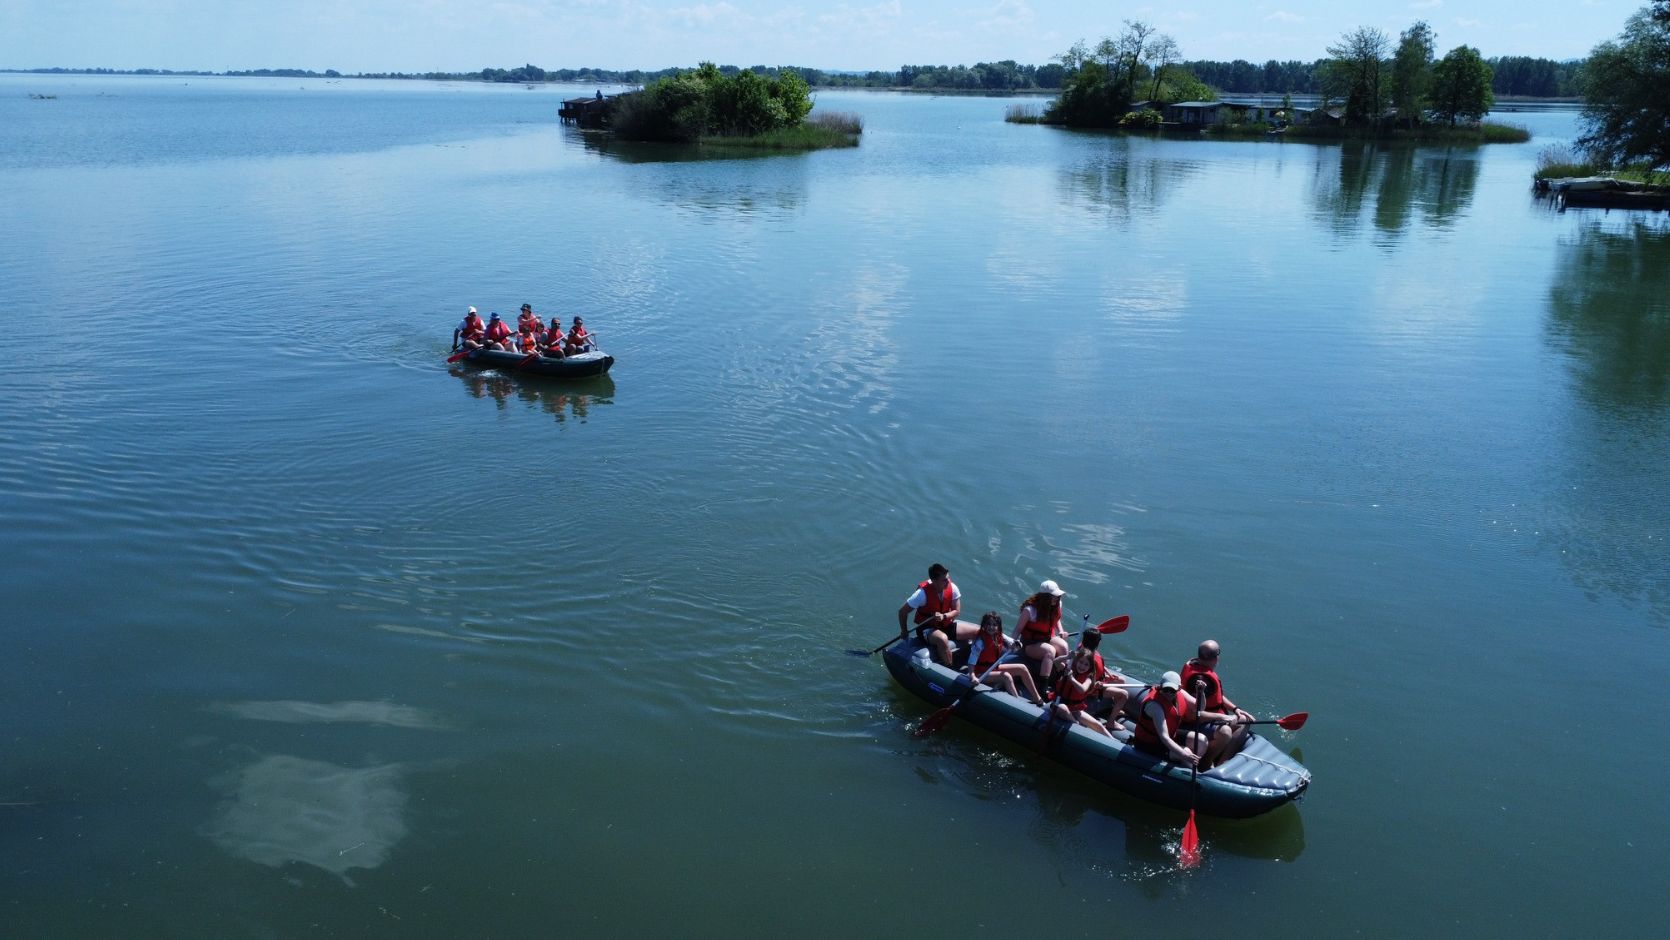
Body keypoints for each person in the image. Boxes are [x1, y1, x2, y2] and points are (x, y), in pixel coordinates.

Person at [1181, 640, 1254, 769]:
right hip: (1193, 723)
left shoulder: (1196, 666)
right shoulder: (1200, 680)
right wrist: (1222, 717)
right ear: (1216, 658)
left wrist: (1235, 709)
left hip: (1208, 718)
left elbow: (1217, 697)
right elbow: (1194, 713)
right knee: (1225, 732)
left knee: (1244, 719)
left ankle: (1223, 762)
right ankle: (1206, 763)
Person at [896, 563, 977, 667]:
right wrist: (904, 630)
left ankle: (978, 662)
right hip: (926, 628)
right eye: (944, 580)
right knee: (942, 639)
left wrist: (944, 616)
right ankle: (949, 667)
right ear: (934, 581)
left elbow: (957, 611)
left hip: (945, 624)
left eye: (948, 578)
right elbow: (902, 612)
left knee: (977, 632)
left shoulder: (952, 587)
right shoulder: (921, 594)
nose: (948, 581)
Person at [964, 611, 1042, 705]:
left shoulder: (999, 636)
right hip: (980, 673)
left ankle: (1037, 698)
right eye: (988, 624)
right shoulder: (980, 642)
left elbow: (1012, 642)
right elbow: (971, 662)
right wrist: (972, 676)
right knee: (1006, 676)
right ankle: (1017, 704)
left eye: (994, 624)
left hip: (992, 668)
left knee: (1022, 668)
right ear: (984, 625)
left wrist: (1016, 644)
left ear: (998, 627)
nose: (991, 627)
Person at [1132, 671, 1206, 767]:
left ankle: (1191, 765)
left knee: (1201, 740)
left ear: (1179, 688)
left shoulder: (1180, 693)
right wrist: (1185, 755)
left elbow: (1200, 708)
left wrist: (1201, 693)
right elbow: (1164, 737)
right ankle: (1187, 771)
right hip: (1150, 744)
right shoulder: (1154, 705)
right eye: (1166, 689)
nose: (1168, 693)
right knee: (1186, 751)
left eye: (1172, 690)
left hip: (1171, 735)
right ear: (1161, 686)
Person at [1051, 648, 1114, 737]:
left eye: (1086, 664)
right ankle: (1076, 725)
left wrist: (1071, 678)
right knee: (1062, 708)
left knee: (1098, 725)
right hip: (1058, 703)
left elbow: (1082, 689)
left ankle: (1113, 742)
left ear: (1090, 667)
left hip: (1074, 709)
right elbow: (1055, 662)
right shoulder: (1068, 668)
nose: (1082, 666)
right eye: (1080, 662)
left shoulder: (1089, 677)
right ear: (1076, 661)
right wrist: (1067, 656)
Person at [1016, 579, 1070, 684]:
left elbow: (1056, 619)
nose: (1056, 598)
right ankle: (1043, 686)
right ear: (1045, 597)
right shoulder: (1030, 610)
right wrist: (1012, 642)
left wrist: (1061, 631)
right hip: (1030, 644)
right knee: (1050, 651)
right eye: (1053, 596)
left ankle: (1060, 679)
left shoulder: (1057, 604)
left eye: (1057, 596)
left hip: (1047, 638)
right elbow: (1018, 629)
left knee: (1064, 646)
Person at [1076, 628, 1131, 721]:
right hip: (1091, 692)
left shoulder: (1083, 648)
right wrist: (1098, 685)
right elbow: (1085, 685)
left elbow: (1099, 667)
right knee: (1124, 695)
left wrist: (1108, 674)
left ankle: (1113, 707)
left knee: (1121, 680)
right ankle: (1111, 722)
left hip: (1097, 682)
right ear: (1097, 643)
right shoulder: (1089, 660)